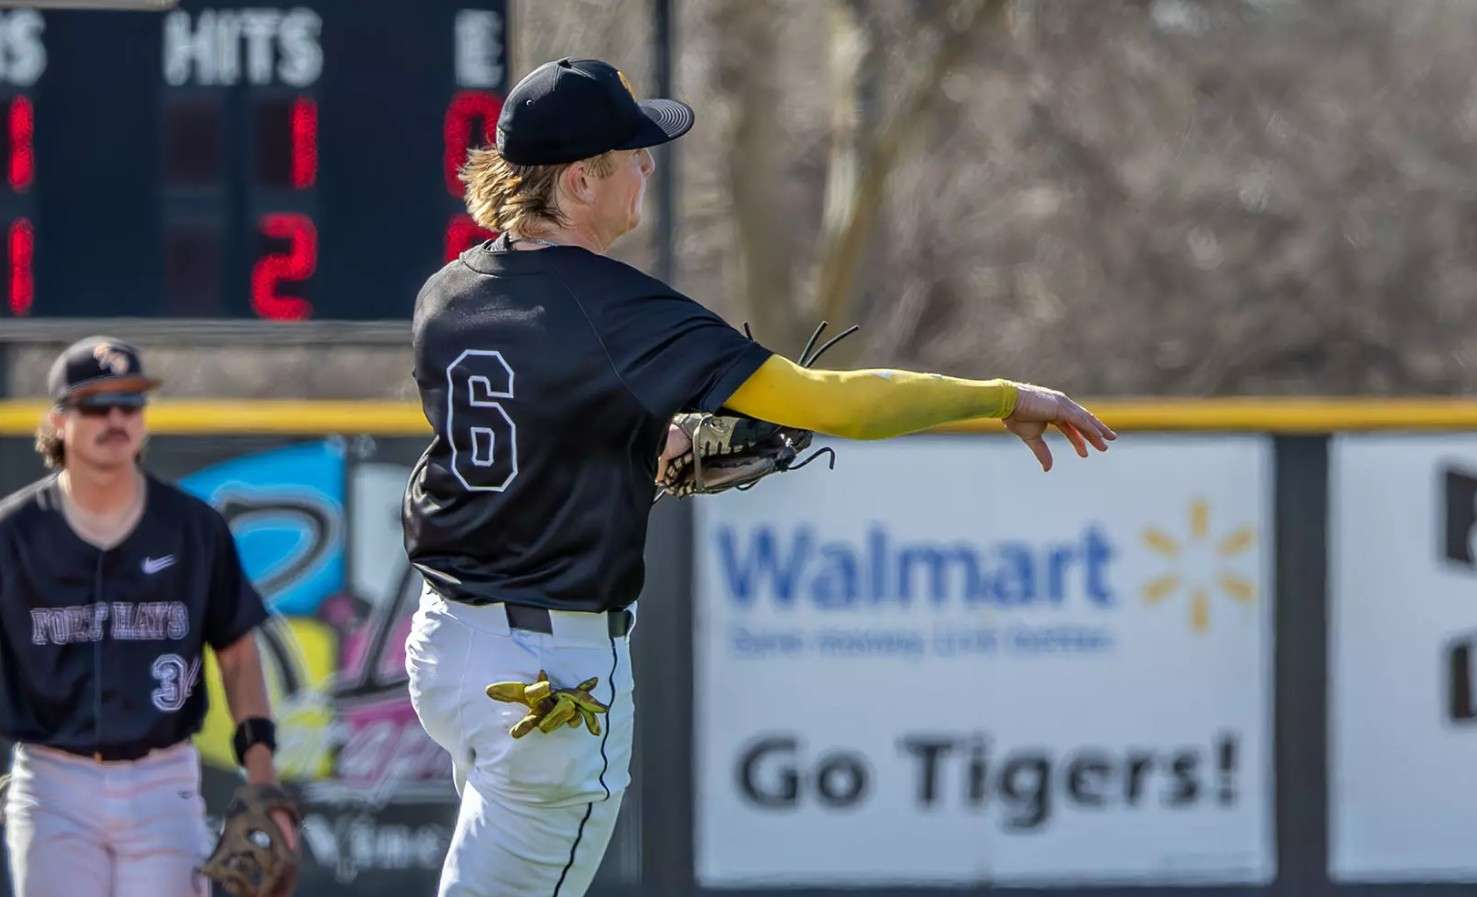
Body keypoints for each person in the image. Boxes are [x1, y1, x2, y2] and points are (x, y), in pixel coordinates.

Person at [402, 57, 1116, 897]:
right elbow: (835, 404)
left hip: (449, 648)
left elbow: (530, 444)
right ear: (579, 180)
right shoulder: (616, 308)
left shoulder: (448, 294)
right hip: (546, 673)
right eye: (631, 153)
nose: (647, 167)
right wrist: (999, 397)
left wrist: (648, 449)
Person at [0, 337, 295, 897]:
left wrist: (263, 780)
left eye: (130, 403)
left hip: (163, 780)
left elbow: (237, 654)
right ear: (59, 421)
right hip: (53, 780)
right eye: (96, 405)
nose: (116, 419)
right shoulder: (14, 534)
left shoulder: (192, 528)